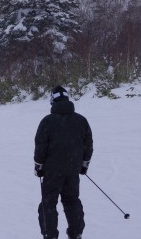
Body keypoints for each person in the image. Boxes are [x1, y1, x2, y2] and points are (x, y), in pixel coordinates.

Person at [34, 86, 93, 239]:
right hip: (72, 170)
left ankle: (50, 235)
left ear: (52, 101)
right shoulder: (81, 120)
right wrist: (84, 164)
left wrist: (38, 166)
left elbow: (41, 146)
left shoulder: (47, 121)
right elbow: (88, 145)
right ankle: (76, 233)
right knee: (72, 200)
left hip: (52, 172)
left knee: (48, 203)